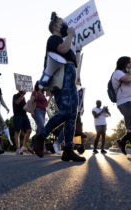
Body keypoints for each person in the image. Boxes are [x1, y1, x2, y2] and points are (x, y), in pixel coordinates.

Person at [34, 12, 86, 162]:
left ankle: (68, 149)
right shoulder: (53, 39)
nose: (66, 25)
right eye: (63, 23)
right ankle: (41, 135)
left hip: (69, 75)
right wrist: (70, 35)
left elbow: (72, 61)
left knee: (72, 114)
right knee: (65, 112)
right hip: (62, 77)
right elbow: (62, 50)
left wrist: (77, 51)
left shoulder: (62, 41)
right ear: (57, 26)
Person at [31, 82, 52, 154]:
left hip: (43, 112)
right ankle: (43, 149)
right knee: (42, 128)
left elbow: (46, 105)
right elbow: (31, 102)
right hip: (37, 111)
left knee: (39, 129)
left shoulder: (43, 94)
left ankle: (33, 144)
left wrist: (50, 97)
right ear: (37, 85)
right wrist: (32, 112)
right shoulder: (35, 92)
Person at [13, 91, 32, 155]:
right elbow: (17, 102)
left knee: (29, 130)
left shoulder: (23, 98)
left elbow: (25, 108)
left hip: (24, 116)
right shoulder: (15, 95)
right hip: (17, 116)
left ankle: (23, 146)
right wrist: (22, 95)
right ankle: (18, 149)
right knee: (17, 132)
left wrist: (29, 107)